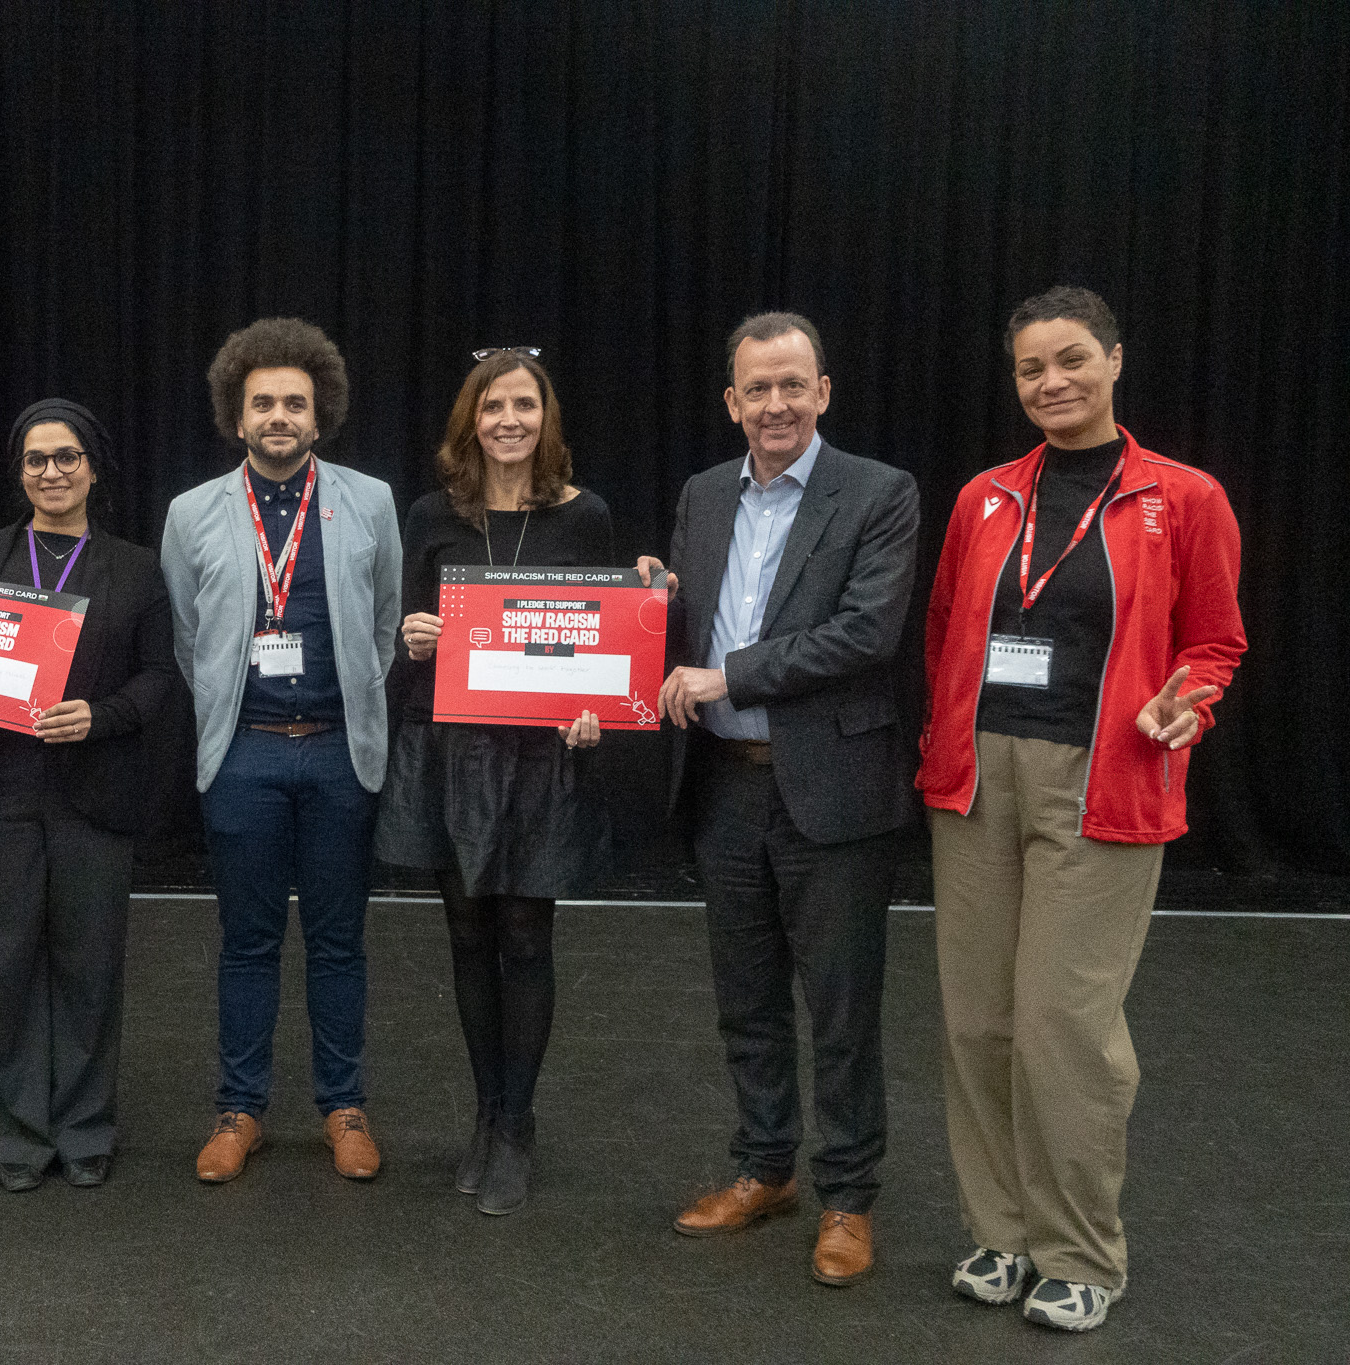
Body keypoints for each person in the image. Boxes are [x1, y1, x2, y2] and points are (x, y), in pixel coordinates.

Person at [918, 286, 1245, 1332]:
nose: (1049, 383)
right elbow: (941, 635)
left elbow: (1214, 643)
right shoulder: (982, 498)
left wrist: (1182, 707)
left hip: (1100, 782)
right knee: (977, 1022)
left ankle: (1078, 1253)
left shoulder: (1181, 497)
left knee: (1062, 1026)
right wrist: (943, 743)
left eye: (1069, 361)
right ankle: (1001, 1235)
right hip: (974, 781)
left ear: (1113, 359)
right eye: (1028, 370)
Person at [639, 312, 918, 1286]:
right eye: (755, 389)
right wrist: (647, 600)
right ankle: (765, 1169)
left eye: (790, 385)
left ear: (823, 391)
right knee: (744, 1001)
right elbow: (690, 617)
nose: (773, 404)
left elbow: (862, 633)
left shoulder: (877, 494)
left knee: (840, 1010)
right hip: (722, 789)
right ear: (730, 402)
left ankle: (846, 1197)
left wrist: (732, 676)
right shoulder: (703, 493)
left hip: (830, 795)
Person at [0, 400, 178, 1192]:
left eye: (66, 458)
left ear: (93, 468)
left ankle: (86, 1123)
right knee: (5, 963)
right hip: (0, 793)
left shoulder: (135, 567)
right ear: (18, 471)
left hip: (93, 794)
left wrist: (102, 714)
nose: (51, 473)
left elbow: (160, 679)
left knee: (90, 965)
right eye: (35, 460)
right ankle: (19, 1129)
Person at [161, 317, 402, 1184]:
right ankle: (241, 1109)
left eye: (294, 402)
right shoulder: (192, 513)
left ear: (319, 412)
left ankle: (344, 1105)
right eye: (261, 401)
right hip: (246, 756)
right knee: (247, 940)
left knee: (340, 940)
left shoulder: (368, 500)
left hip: (340, 752)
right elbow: (191, 638)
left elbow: (383, 626)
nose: (278, 416)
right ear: (237, 413)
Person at [375, 349, 613, 1215]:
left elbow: (600, 644)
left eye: (524, 405)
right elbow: (407, 640)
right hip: (453, 749)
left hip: (545, 755)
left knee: (525, 935)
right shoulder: (433, 515)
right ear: (468, 421)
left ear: (546, 417)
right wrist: (414, 637)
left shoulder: (586, 517)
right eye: (492, 407)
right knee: (467, 936)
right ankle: (486, 1109)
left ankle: (518, 1121)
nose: (508, 420)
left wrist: (597, 711)